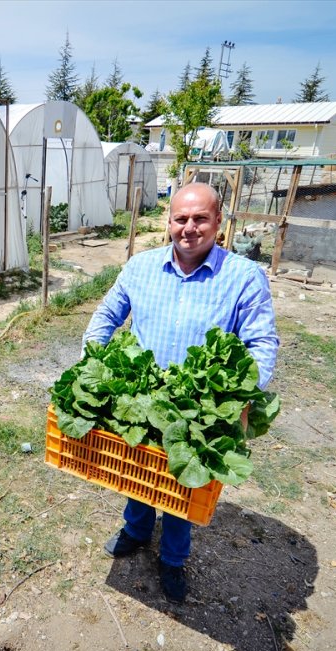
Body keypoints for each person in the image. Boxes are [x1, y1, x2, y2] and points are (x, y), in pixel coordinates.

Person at [82, 181, 279, 603]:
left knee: (183, 486)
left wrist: (239, 397)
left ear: (218, 223)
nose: (189, 228)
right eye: (181, 218)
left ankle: (172, 559)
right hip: (141, 399)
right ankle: (135, 531)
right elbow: (107, 314)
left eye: (200, 218)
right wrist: (90, 361)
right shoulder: (141, 267)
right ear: (168, 222)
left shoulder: (243, 277)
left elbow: (262, 344)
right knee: (135, 471)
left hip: (197, 410)